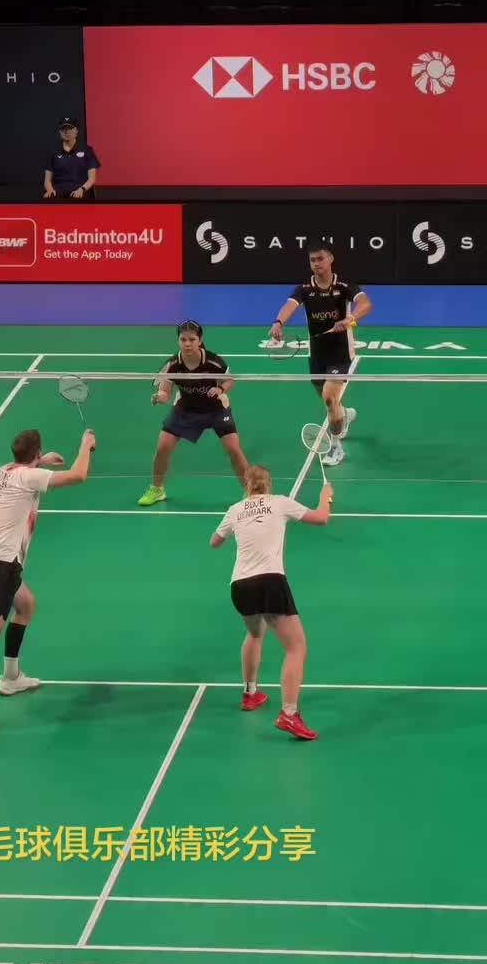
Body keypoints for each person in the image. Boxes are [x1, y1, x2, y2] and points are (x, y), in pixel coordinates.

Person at [0, 426, 96, 732]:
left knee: (26, 605)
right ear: (36, 453)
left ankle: (11, 677)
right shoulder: (30, 477)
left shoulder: (0, 473)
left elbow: (25, 471)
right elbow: (78, 475)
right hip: (0, 564)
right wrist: (85, 445)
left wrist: (42, 461)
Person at [210, 462, 333, 741]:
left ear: (246, 485)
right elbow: (321, 518)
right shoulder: (279, 502)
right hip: (270, 582)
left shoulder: (234, 509)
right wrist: (326, 496)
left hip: (240, 586)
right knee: (296, 647)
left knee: (255, 632)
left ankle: (250, 694)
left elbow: (214, 542)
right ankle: (289, 714)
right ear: (268, 484)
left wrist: (241, 527)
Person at [269, 242, 372, 467]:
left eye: (320, 259)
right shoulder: (304, 288)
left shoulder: (344, 286)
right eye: (312, 260)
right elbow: (290, 305)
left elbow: (365, 304)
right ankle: (344, 414)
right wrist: (278, 322)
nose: (316, 264)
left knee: (329, 397)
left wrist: (350, 319)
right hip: (317, 353)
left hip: (340, 352)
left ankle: (336, 447)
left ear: (330, 259)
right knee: (328, 401)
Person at [138, 320, 249, 507]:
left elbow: (230, 380)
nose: (187, 344)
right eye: (183, 339)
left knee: (233, 449)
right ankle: (157, 489)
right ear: (178, 341)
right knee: (163, 447)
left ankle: (251, 492)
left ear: (200, 340)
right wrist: (159, 397)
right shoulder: (172, 364)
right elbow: (165, 391)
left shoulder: (213, 361)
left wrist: (220, 389)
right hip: (186, 409)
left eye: (192, 339)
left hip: (216, 408)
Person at [44, 117, 100, 201]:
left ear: (76, 130)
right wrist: (49, 189)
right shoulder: (53, 151)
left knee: (78, 199)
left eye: (70, 128)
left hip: (80, 189)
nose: (66, 131)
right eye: (63, 129)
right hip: (58, 189)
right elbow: (47, 180)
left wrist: (82, 189)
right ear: (60, 132)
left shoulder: (87, 150)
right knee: (48, 198)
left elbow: (92, 179)